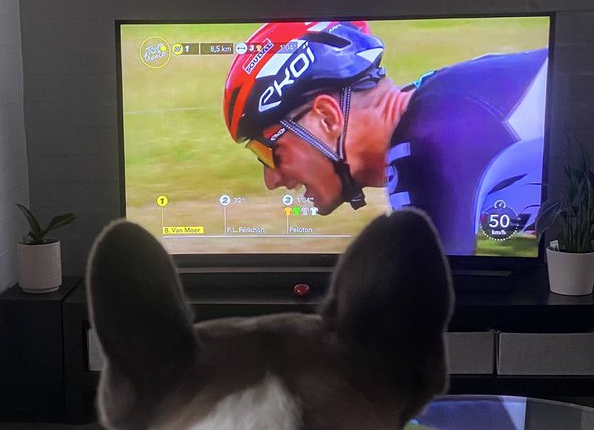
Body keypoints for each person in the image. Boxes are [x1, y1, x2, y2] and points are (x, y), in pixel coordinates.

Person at [223, 19, 548, 255]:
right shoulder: (434, 110)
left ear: (327, 117)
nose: (271, 179)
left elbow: (430, 325)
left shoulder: (424, 147)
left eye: (269, 153)